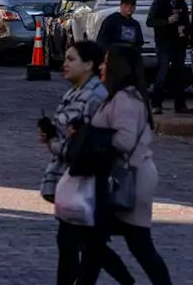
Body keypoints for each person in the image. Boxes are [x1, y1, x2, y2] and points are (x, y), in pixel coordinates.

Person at [77, 44, 172, 285]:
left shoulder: (126, 99)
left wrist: (92, 135)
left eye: (106, 61)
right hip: (119, 178)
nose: (101, 66)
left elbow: (124, 140)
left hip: (128, 180)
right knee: (96, 243)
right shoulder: (119, 96)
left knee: (133, 244)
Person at [41, 41, 132, 285]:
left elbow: (86, 145)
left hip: (89, 182)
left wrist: (55, 142)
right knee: (80, 244)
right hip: (72, 179)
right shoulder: (74, 92)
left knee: (87, 245)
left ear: (89, 64)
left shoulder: (95, 97)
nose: (65, 63)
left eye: (71, 59)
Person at [145, 0, 190, 115]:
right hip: (164, 42)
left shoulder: (181, 3)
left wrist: (185, 30)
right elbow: (150, 21)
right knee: (162, 73)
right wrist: (166, 21)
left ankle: (180, 105)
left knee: (179, 74)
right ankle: (156, 104)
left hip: (178, 42)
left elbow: (186, 21)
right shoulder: (158, 3)